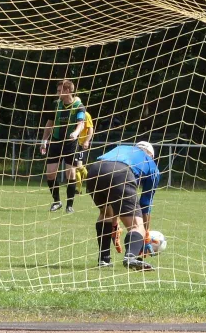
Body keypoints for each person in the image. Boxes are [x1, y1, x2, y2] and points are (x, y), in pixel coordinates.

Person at [86, 142, 160, 271]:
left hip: (94, 170)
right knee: (136, 226)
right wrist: (144, 235)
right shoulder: (151, 163)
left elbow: (113, 198)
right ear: (151, 155)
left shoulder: (121, 148)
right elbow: (145, 204)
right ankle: (131, 257)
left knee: (106, 214)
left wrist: (115, 224)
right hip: (121, 172)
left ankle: (104, 259)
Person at [40, 80, 85, 214]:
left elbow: (81, 123)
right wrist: (44, 140)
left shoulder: (79, 106)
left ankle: (69, 205)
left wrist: (76, 133)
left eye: (60, 91)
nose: (58, 93)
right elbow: (49, 123)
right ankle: (56, 201)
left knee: (70, 173)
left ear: (67, 91)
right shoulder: (56, 105)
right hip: (55, 142)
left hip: (71, 143)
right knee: (50, 173)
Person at [75, 107, 94, 195]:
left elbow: (90, 129)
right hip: (73, 144)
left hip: (81, 144)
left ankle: (93, 183)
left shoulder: (86, 115)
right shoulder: (72, 114)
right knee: (76, 168)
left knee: (79, 166)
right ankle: (78, 190)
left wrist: (87, 141)